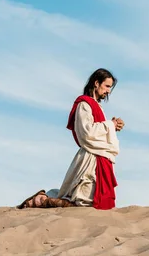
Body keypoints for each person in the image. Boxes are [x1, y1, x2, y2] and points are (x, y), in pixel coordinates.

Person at [16, 68, 125, 210]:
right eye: (107, 86)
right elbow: (87, 132)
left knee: (93, 202)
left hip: (100, 158)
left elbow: (97, 130)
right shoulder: (84, 105)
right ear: (96, 83)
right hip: (90, 159)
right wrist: (110, 125)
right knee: (84, 201)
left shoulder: (97, 107)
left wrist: (112, 126)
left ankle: (44, 199)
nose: (108, 91)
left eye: (111, 88)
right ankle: (41, 200)